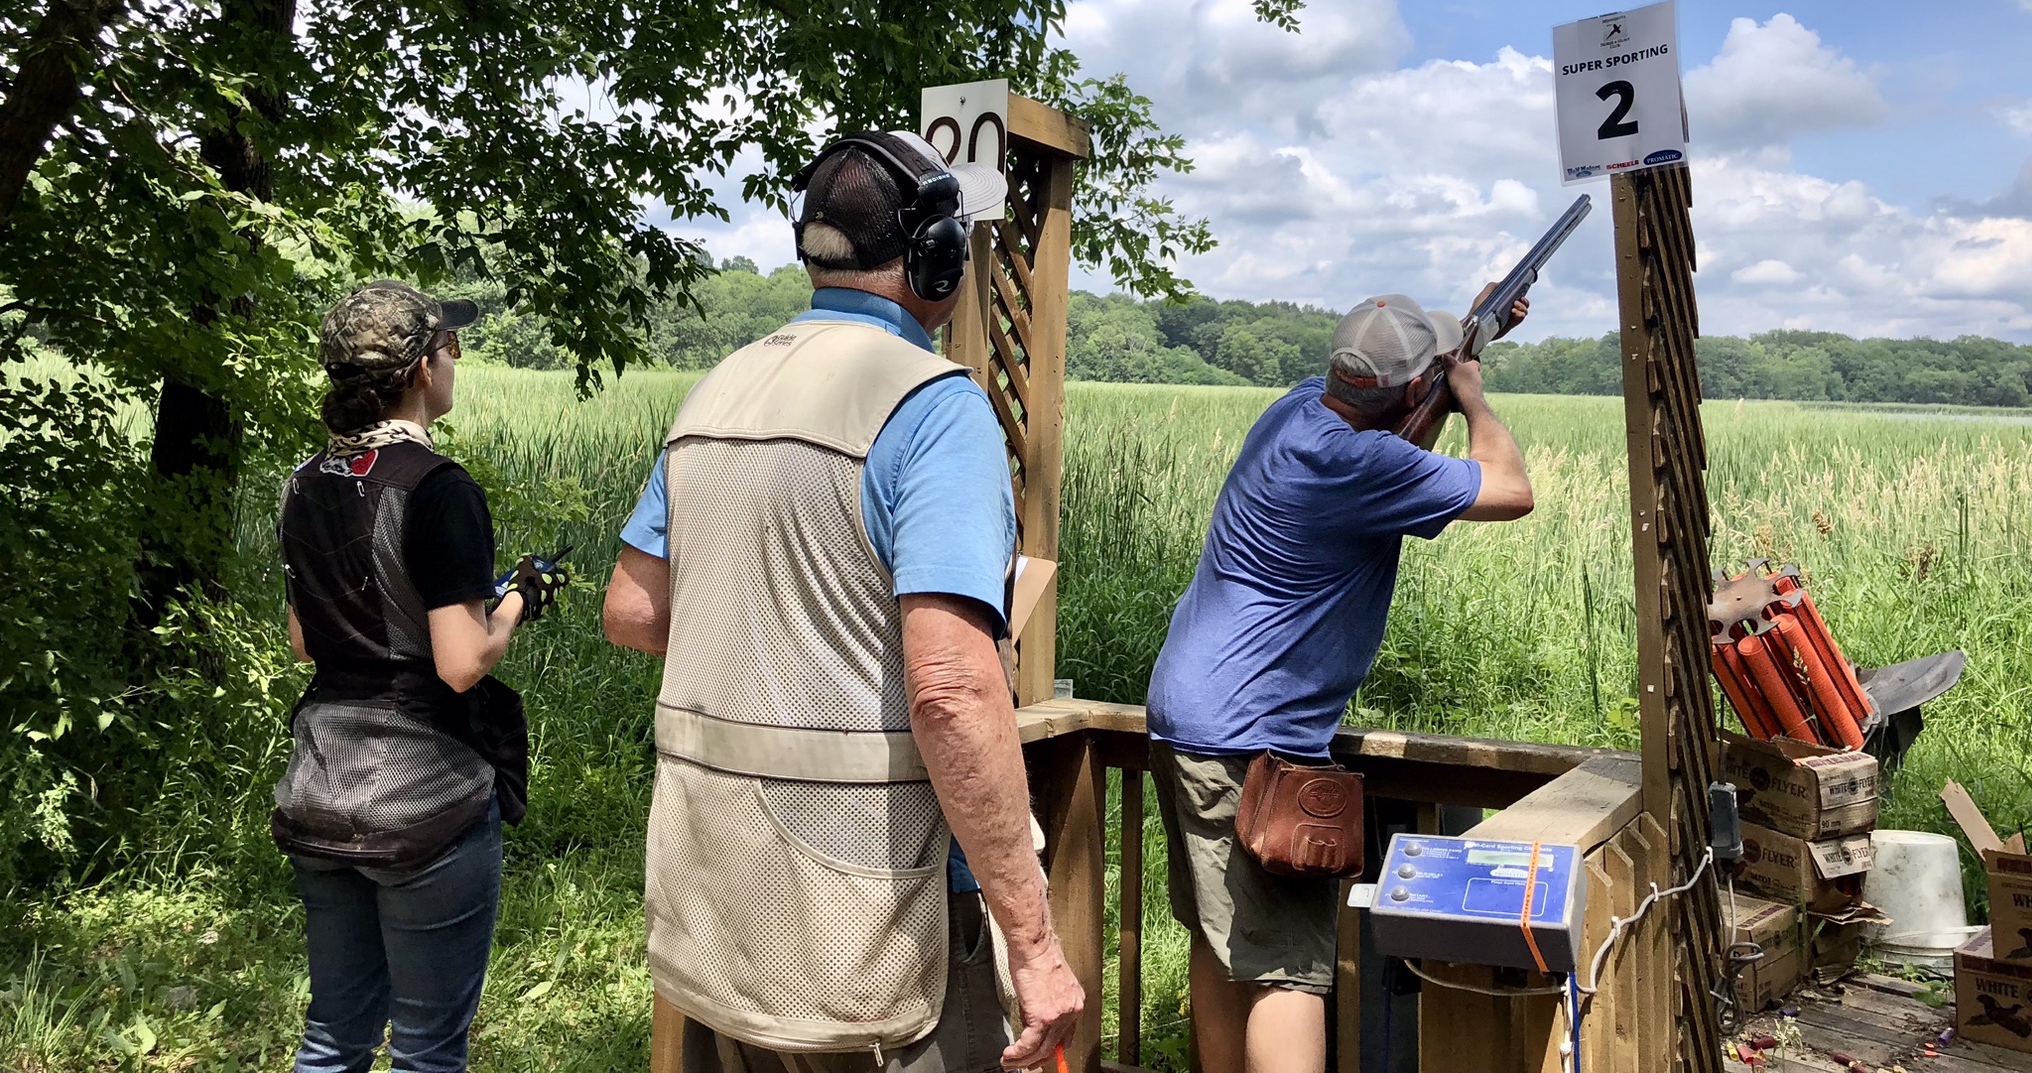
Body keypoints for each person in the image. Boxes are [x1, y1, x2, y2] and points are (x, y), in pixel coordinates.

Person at [603, 130, 1084, 1073]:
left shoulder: (717, 390)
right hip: (869, 910)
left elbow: (633, 611)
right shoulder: (933, 406)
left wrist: (783, 635)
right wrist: (1032, 945)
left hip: (718, 886)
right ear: (937, 255)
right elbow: (947, 689)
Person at [1144, 290, 1537, 1073]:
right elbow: (1511, 488)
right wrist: (1472, 397)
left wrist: (1473, 325)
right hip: (1254, 737)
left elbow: (1395, 409)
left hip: (1188, 714)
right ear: (1413, 390)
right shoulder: (1359, 462)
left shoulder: (1295, 413)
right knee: (1287, 966)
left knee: (1223, 942)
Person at [273, 281, 567, 1073]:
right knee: (429, 1049)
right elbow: (461, 662)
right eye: (448, 346)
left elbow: (309, 641)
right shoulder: (439, 489)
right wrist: (511, 605)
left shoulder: (303, 481)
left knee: (334, 1034)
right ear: (420, 370)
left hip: (320, 785)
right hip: (422, 799)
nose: (457, 359)